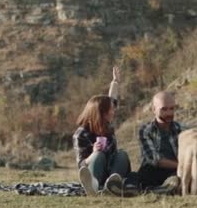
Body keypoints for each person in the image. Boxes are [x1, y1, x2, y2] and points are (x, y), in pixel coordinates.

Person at [73, 67, 131, 196]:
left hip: (110, 170)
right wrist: (94, 153)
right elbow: (81, 165)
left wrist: (115, 82)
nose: (113, 111)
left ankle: (113, 185)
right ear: (101, 113)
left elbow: (112, 99)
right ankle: (94, 187)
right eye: (110, 110)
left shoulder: (107, 124)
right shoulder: (81, 134)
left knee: (122, 154)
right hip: (92, 173)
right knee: (99, 156)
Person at [136, 91, 183, 190]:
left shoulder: (181, 130)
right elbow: (155, 160)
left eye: (172, 109)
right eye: (164, 109)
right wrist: (182, 166)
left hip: (176, 170)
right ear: (154, 110)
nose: (169, 113)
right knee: (145, 172)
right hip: (154, 171)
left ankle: (168, 186)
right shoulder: (146, 130)